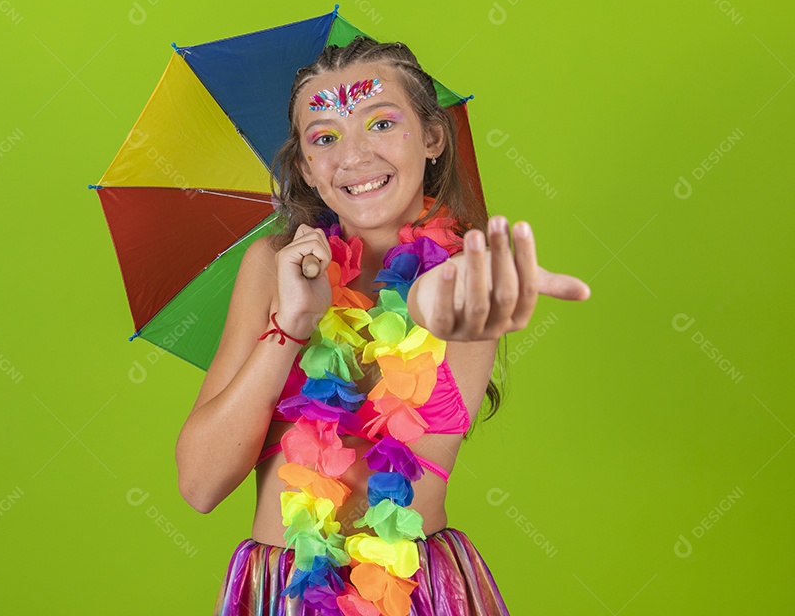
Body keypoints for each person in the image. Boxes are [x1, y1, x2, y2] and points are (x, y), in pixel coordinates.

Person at [175, 37, 590, 616]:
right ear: (305, 169)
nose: (354, 155)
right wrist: (290, 327)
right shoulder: (270, 265)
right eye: (324, 137)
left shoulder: (466, 270)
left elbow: (439, 314)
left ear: (432, 137)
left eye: (380, 123)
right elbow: (200, 484)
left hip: (412, 593)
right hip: (286, 593)